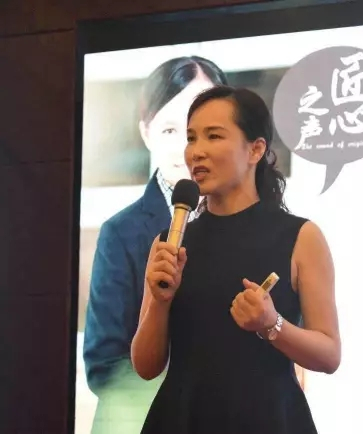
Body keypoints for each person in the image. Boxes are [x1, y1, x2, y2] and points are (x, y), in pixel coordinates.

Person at [131, 86, 341, 433]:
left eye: (213, 136)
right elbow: (145, 366)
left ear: (255, 149)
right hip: (182, 418)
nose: (196, 151)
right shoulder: (171, 242)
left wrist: (271, 324)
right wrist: (160, 301)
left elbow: (329, 354)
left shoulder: (301, 237)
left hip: (268, 418)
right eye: (191, 138)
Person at [83, 56, 227, 434]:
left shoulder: (261, 225)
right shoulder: (120, 232)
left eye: (203, 130)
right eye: (170, 130)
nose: (188, 147)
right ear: (146, 133)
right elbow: (103, 364)